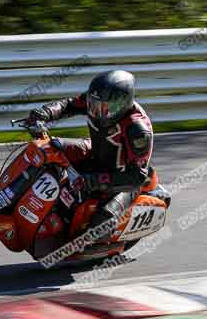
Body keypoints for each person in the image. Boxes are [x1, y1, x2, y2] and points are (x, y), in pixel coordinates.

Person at [28, 70, 155, 238]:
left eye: (106, 108)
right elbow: (70, 104)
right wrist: (46, 113)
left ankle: (95, 247)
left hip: (122, 177)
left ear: (124, 102)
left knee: (100, 223)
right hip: (95, 152)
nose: (97, 112)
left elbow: (137, 177)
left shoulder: (137, 130)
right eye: (94, 105)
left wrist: (96, 181)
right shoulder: (95, 100)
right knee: (48, 148)